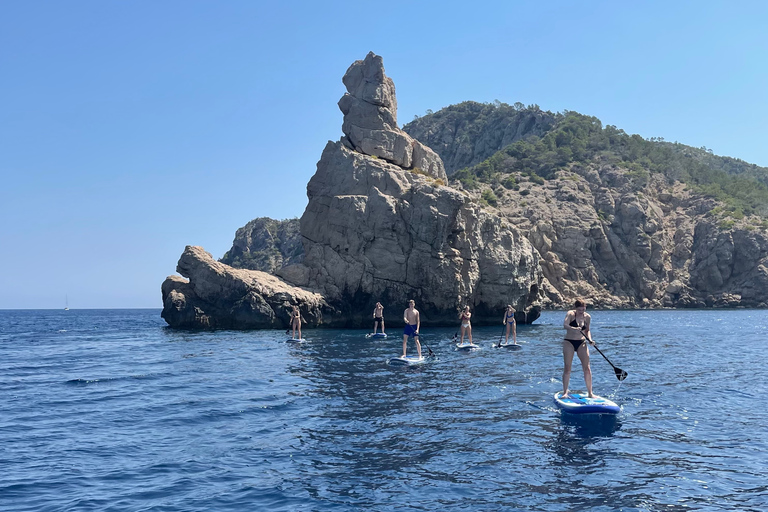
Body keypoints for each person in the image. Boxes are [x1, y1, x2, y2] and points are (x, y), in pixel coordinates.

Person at [562, 298, 595, 398]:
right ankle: (565, 393)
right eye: (580, 310)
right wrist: (574, 329)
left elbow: (587, 330)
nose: (581, 312)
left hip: (581, 342)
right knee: (568, 368)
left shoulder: (587, 317)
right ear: (576, 308)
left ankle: (590, 393)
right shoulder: (571, 314)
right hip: (569, 342)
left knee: (587, 368)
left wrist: (590, 339)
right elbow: (565, 325)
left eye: (583, 310)